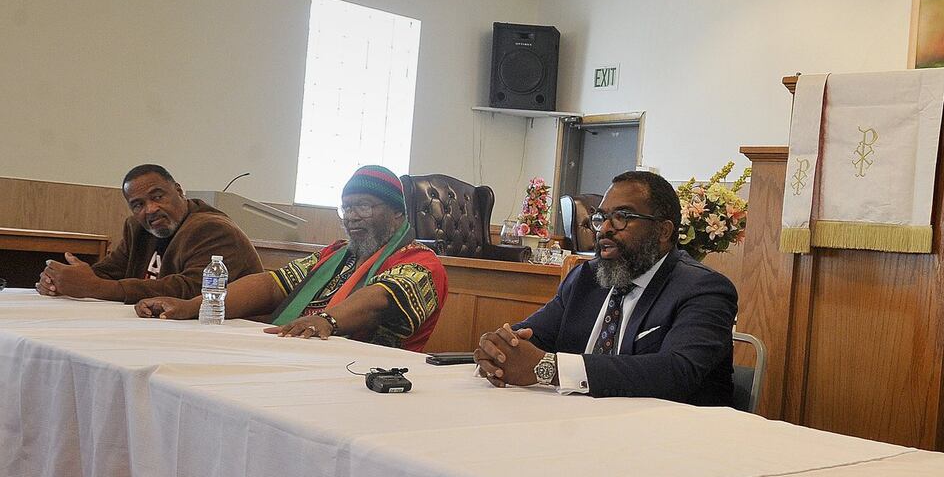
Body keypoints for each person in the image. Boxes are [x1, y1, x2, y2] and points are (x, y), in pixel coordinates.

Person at [474, 170, 737, 407]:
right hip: (577, 425)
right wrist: (499, 349)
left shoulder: (703, 289)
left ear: (663, 231)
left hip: (671, 439)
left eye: (622, 217)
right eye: (601, 218)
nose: (604, 230)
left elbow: (677, 371)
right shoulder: (586, 277)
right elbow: (532, 337)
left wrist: (551, 369)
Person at [136, 166, 447, 351]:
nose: (352, 217)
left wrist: (327, 321)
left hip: (366, 377)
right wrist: (195, 307)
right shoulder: (335, 254)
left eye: (363, 207)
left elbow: (380, 298)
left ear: (396, 212)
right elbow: (273, 284)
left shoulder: (421, 262)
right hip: (301, 356)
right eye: (346, 208)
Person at [36, 164, 262, 303]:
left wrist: (94, 287)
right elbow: (106, 273)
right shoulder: (138, 228)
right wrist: (63, 281)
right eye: (138, 205)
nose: (150, 209)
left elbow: (192, 291)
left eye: (158, 196)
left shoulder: (212, 229)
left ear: (179, 191)